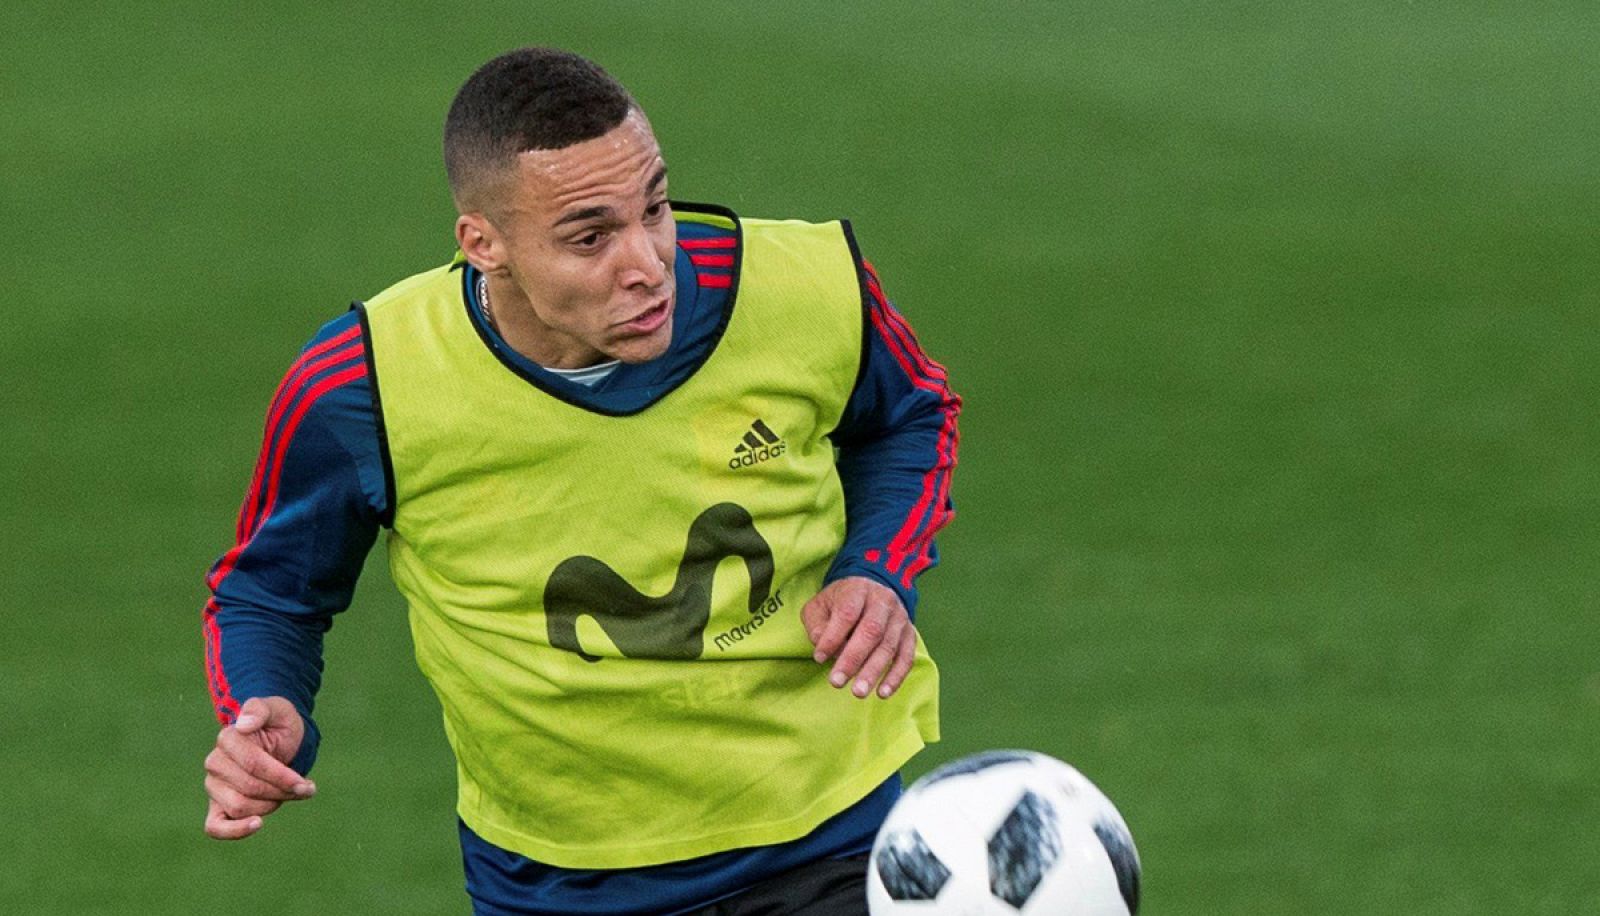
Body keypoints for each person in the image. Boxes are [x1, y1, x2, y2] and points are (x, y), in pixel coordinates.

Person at [200, 47, 960, 915]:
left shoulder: (804, 287)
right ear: (483, 243)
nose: (648, 263)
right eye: (590, 237)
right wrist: (267, 711)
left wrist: (876, 568)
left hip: (832, 838)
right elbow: (270, 591)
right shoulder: (364, 382)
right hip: (557, 881)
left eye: (656, 207)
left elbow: (911, 414)